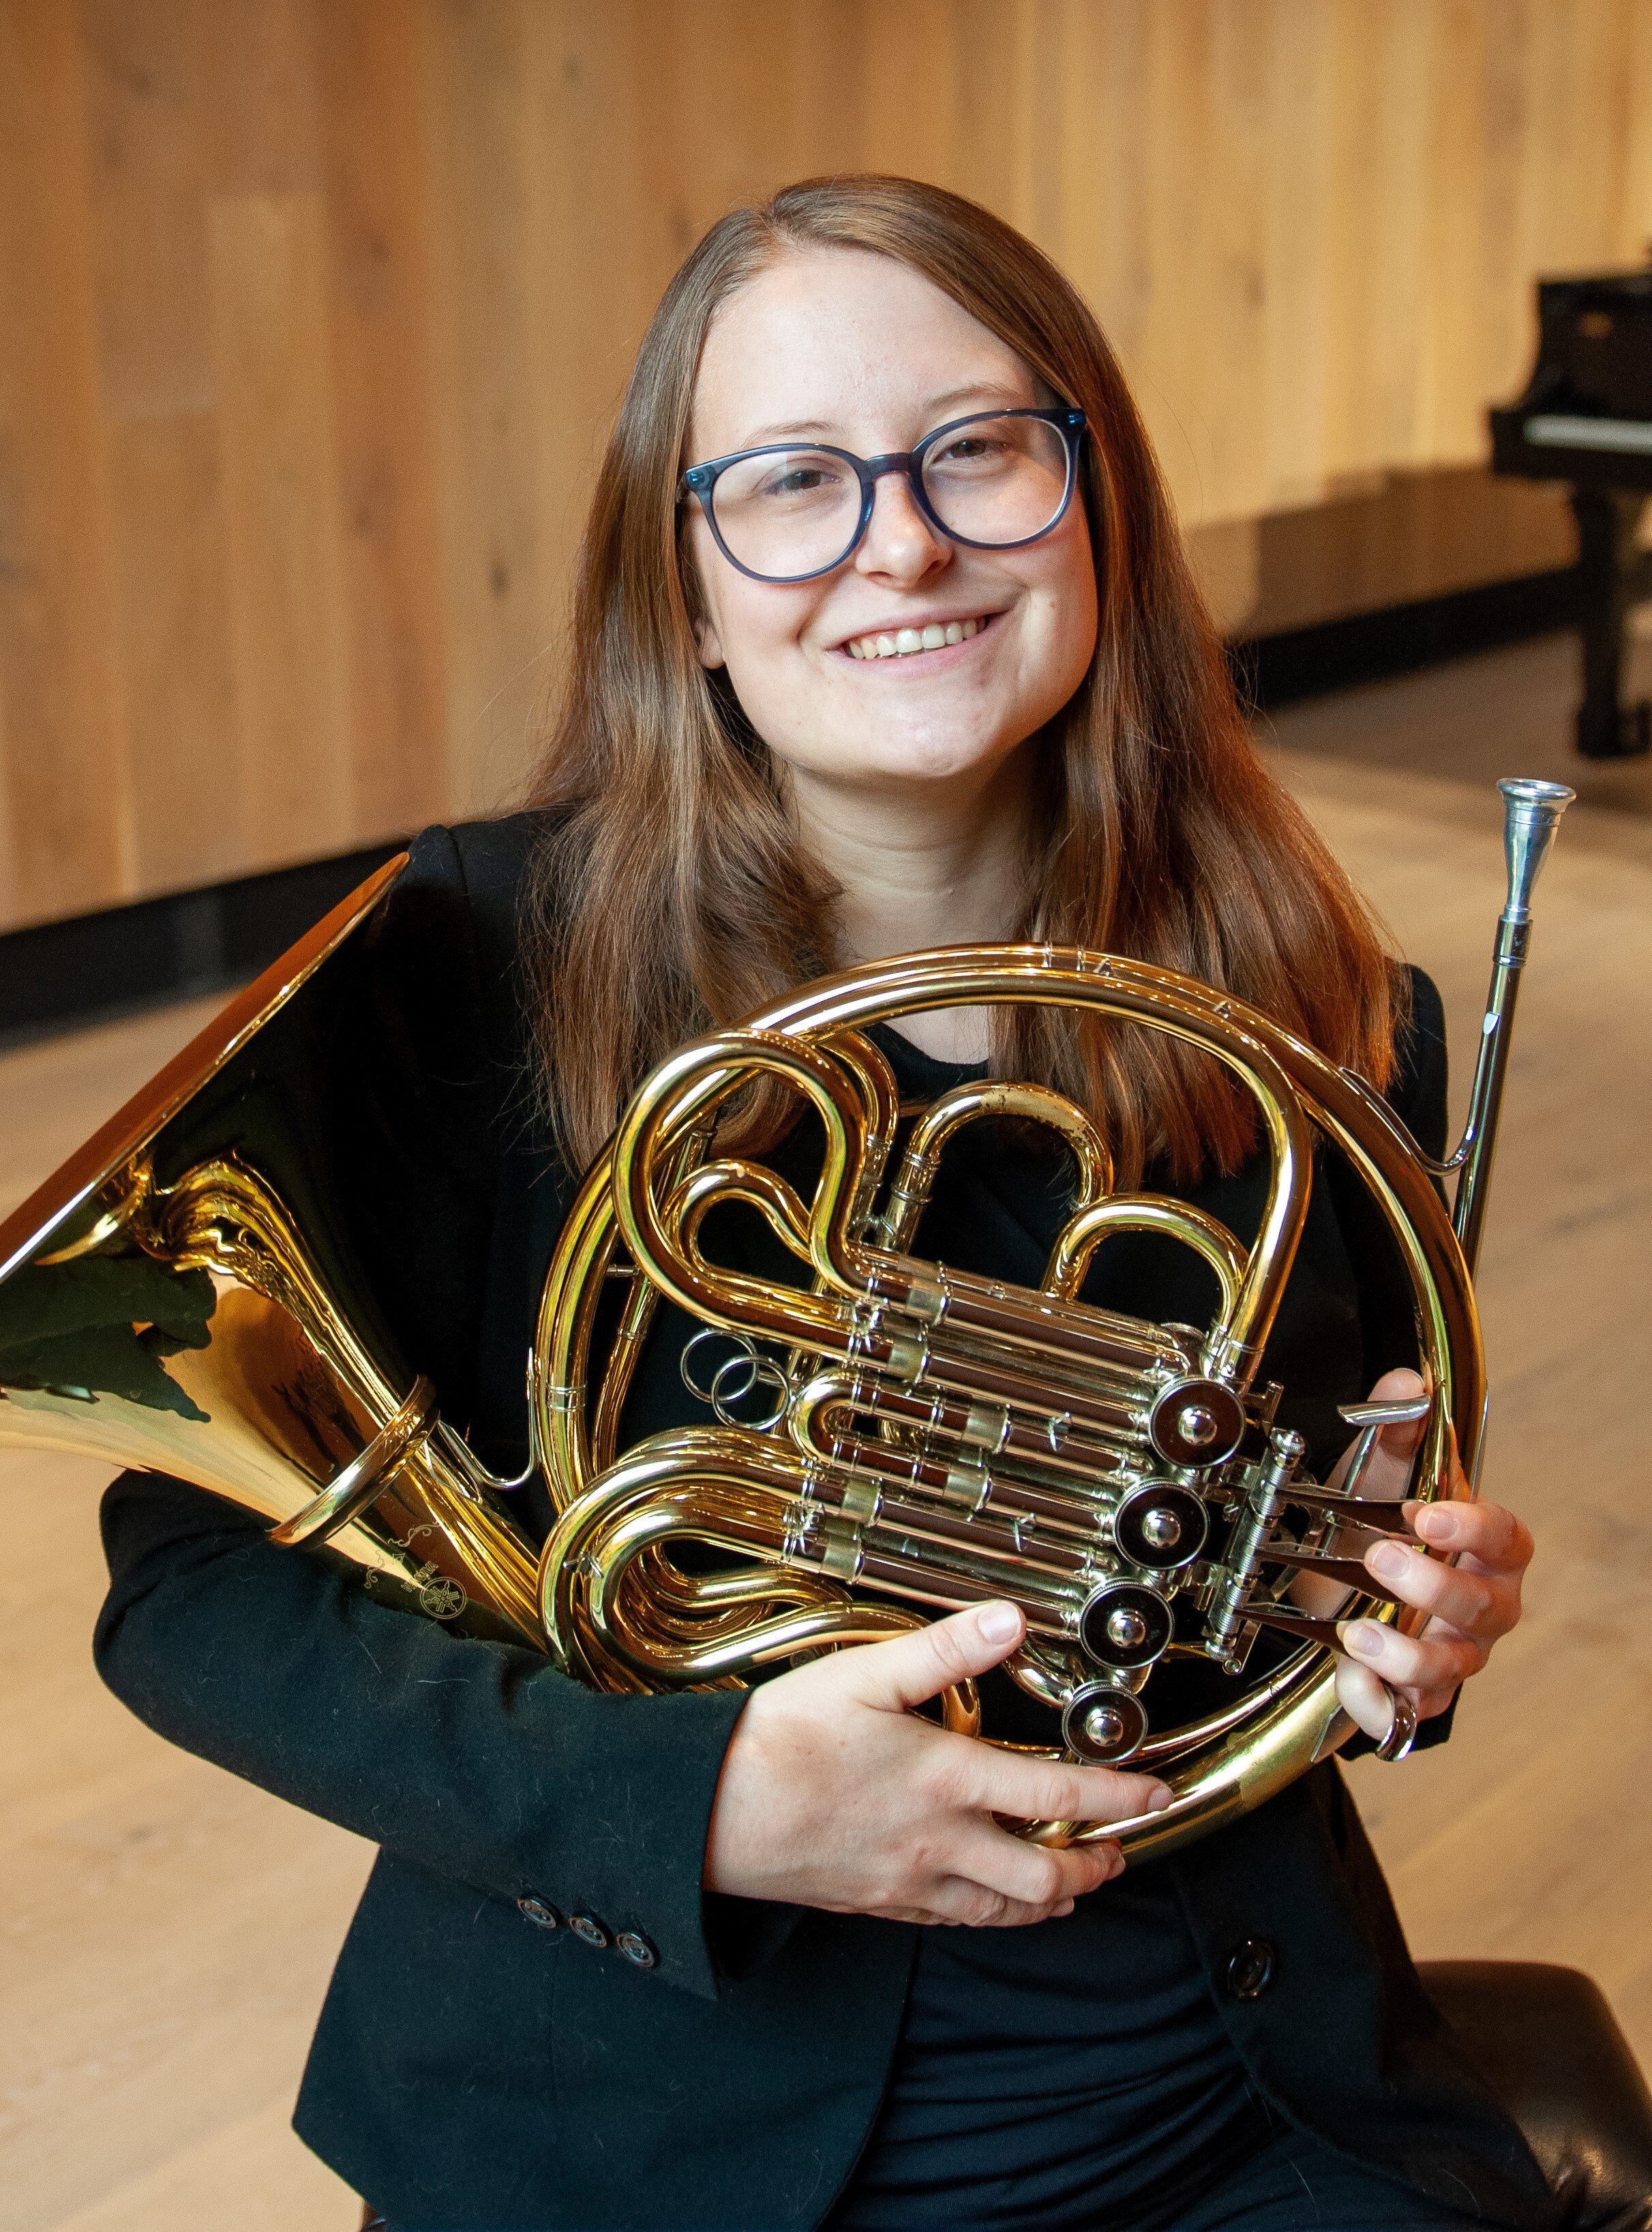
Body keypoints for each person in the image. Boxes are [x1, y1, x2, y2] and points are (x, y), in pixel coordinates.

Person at [93, 177, 1542, 2231]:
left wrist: (1384, 1613)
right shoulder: (466, 969)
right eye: (791, 482)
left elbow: (1287, 1582)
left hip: (1216, 2105)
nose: (906, 541)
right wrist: (699, 1803)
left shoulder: (1327, 1027)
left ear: (1096, 506)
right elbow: (188, 1591)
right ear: (681, 586)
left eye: (979, 450)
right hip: (632, 2124)